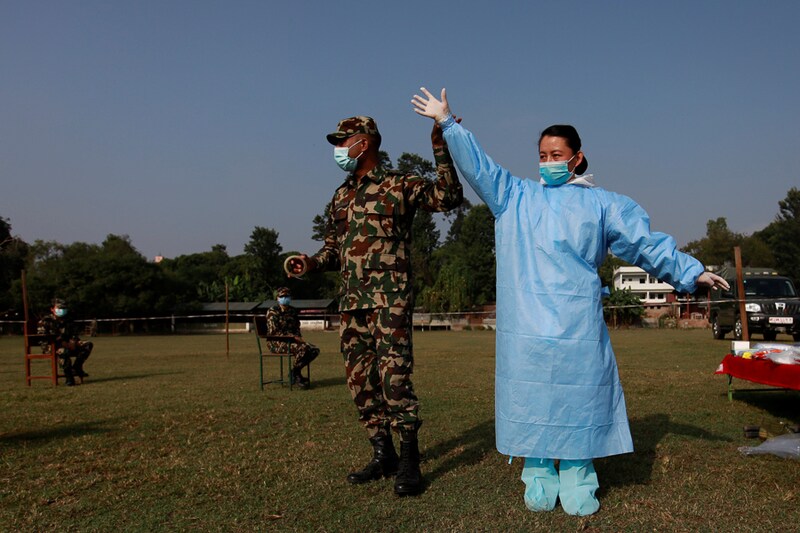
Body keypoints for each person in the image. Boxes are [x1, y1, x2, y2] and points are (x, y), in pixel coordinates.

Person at [412, 88, 729, 515]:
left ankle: (579, 477)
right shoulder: (515, 196)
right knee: (533, 401)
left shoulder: (602, 206)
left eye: (556, 154)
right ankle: (538, 474)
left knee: (579, 401)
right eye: (541, 155)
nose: (547, 162)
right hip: (526, 329)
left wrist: (691, 271)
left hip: (577, 325)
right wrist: (449, 124)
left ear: (577, 157)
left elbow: (644, 244)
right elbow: (479, 169)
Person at [285, 115, 463, 496]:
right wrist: (313, 262)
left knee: (394, 380)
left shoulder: (399, 184)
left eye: (342, 140)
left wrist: (439, 145)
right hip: (352, 304)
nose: (337, 149)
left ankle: (409, 459)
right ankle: (382, 453)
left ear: (363, 143)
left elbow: (448, 198)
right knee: (361, 384)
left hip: (389, 301)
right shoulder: (341, 195)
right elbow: (334, 249)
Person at [265, 287, 320, 390]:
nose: (285, 298)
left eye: (287, 296)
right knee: (302, 349)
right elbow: (274, 332)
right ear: (277, 298)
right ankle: (297, 376)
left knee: (313, 350)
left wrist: (298, 337)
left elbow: (296, 328)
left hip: (292, 342)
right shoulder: (272, 312)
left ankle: (294, 372)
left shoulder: (293, 311)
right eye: (282, 296)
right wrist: (292, 337)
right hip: (276, 342)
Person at [37, 298, 93, 386]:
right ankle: (69, 377)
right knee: (63, 351)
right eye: (59, 308)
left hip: (68, 344)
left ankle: (76, 367)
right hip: (51, 346)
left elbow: (74, 334)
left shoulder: (68, 320)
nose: (61, 311)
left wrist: (74, 342)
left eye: (63, 308)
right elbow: (44, 338)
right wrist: (63, 343)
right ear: (52, 309)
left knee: (87, 345)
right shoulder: (46, 321)